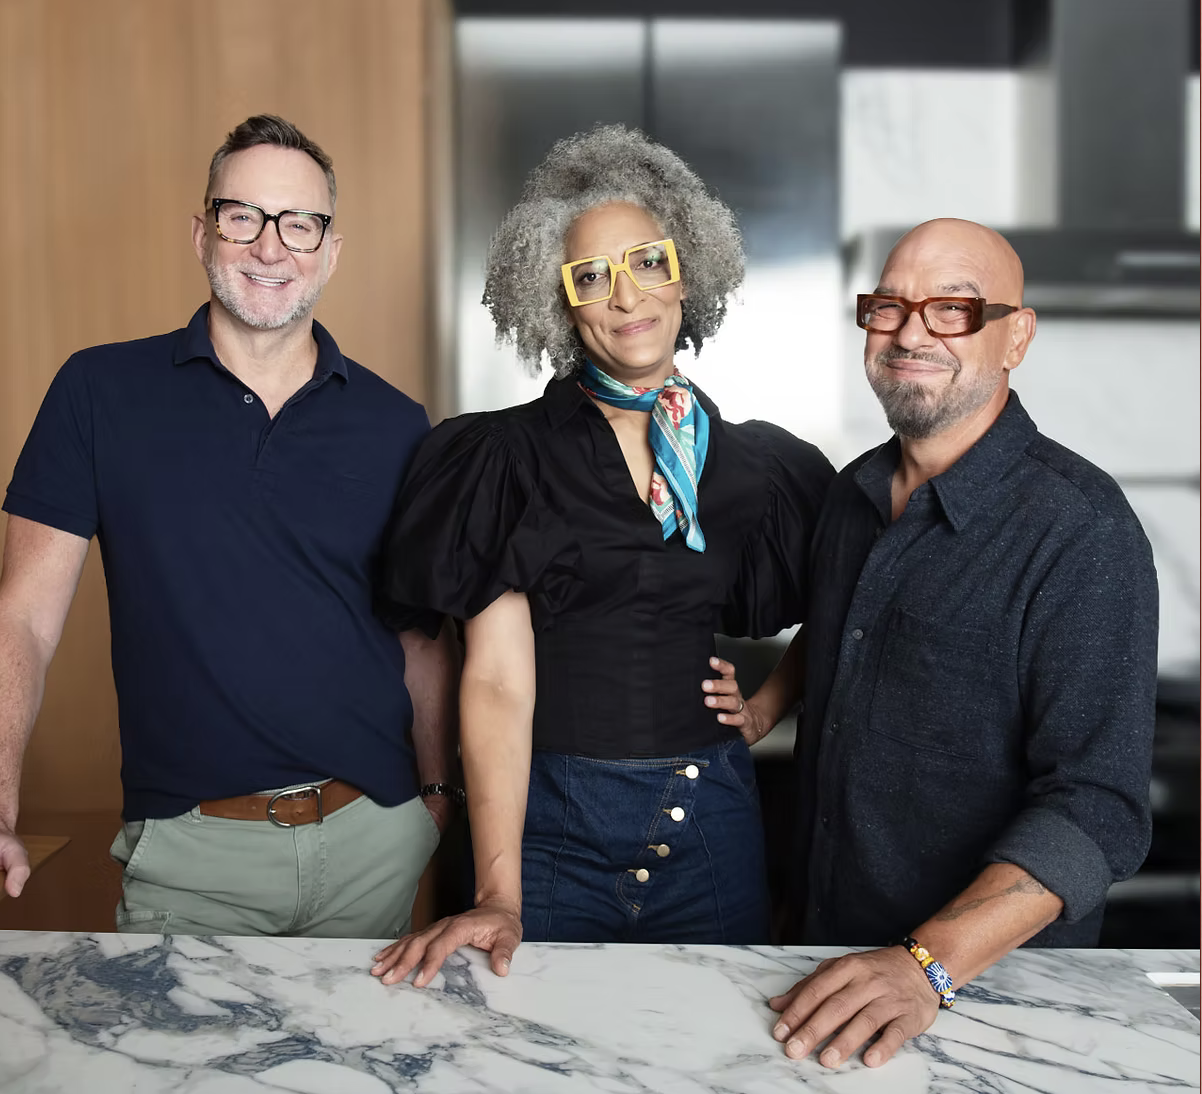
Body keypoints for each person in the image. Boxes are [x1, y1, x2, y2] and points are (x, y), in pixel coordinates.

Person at [369, 124, 834, 987]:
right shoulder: (502, 461)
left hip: (712, 824)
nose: (628, 297)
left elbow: (856, 592)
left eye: (647, 262)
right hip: (549, 830)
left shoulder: (757, 465)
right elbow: (499, 681)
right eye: (592, 277)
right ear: (561, 303)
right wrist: (499, 891)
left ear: (685, 268)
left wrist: (769, 704)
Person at [0, 114, 459, 937]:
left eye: (300, 223)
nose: (270, 247)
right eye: (241, 215)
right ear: (202, 233)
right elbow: (25, 619)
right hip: (191, 852)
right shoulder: (98, 392)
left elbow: (422, 638)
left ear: (331, 249)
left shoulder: (397, 424)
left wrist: (433, 800)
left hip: (375, 841)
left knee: (358, 1071)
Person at [739, 218, 1158, 1068]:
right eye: (887, 306)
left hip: (984, 1002)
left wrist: (925, 964)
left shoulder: (1080, 530)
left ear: (1017, 336)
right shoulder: (853, 493)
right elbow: (844, 629)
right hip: (822, 966)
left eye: (954, 309)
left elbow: (1096, 807)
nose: (910, 331)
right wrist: (759, 710)